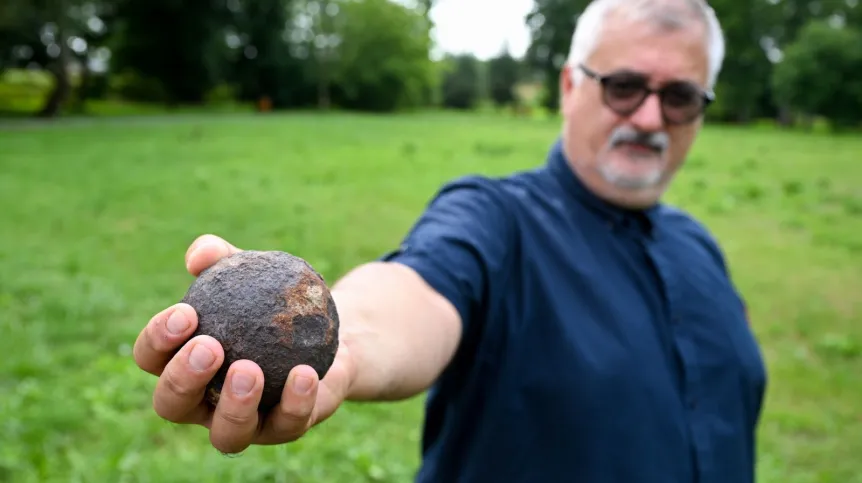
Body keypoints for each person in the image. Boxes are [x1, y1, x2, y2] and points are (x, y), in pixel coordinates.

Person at [132, 0, 768, 481]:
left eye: (680, 97)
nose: (650, 117)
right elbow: (412, 295)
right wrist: (344, 339)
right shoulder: (494, 217)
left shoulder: (700, 247)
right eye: (624, 86)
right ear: (571, 87)